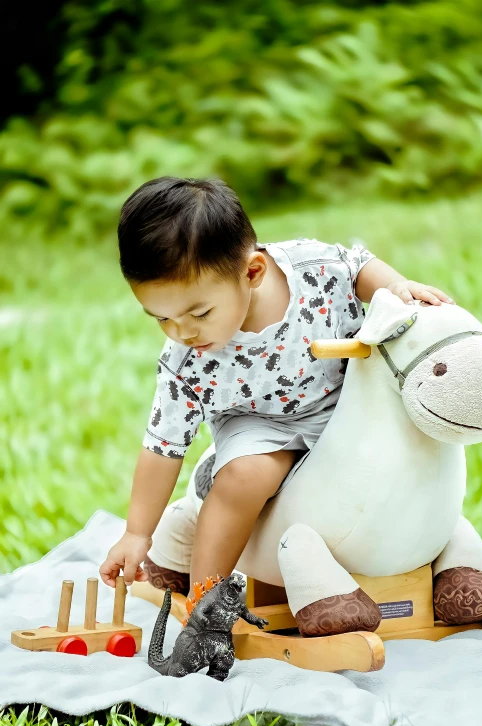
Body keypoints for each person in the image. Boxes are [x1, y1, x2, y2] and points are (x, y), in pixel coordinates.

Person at [99, 177, 453, 596]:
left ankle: (440, 549)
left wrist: (394, 286)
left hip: (347, 400)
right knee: (244, 476)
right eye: (161, 318)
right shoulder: (185, 363)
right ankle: (205, 603)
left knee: (408, 441)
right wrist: (138, 533)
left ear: (252, 272)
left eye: (199, 312)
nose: (181, 332)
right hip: (258, 422)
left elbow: (358, 265)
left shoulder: (311, 270)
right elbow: (162, 447)